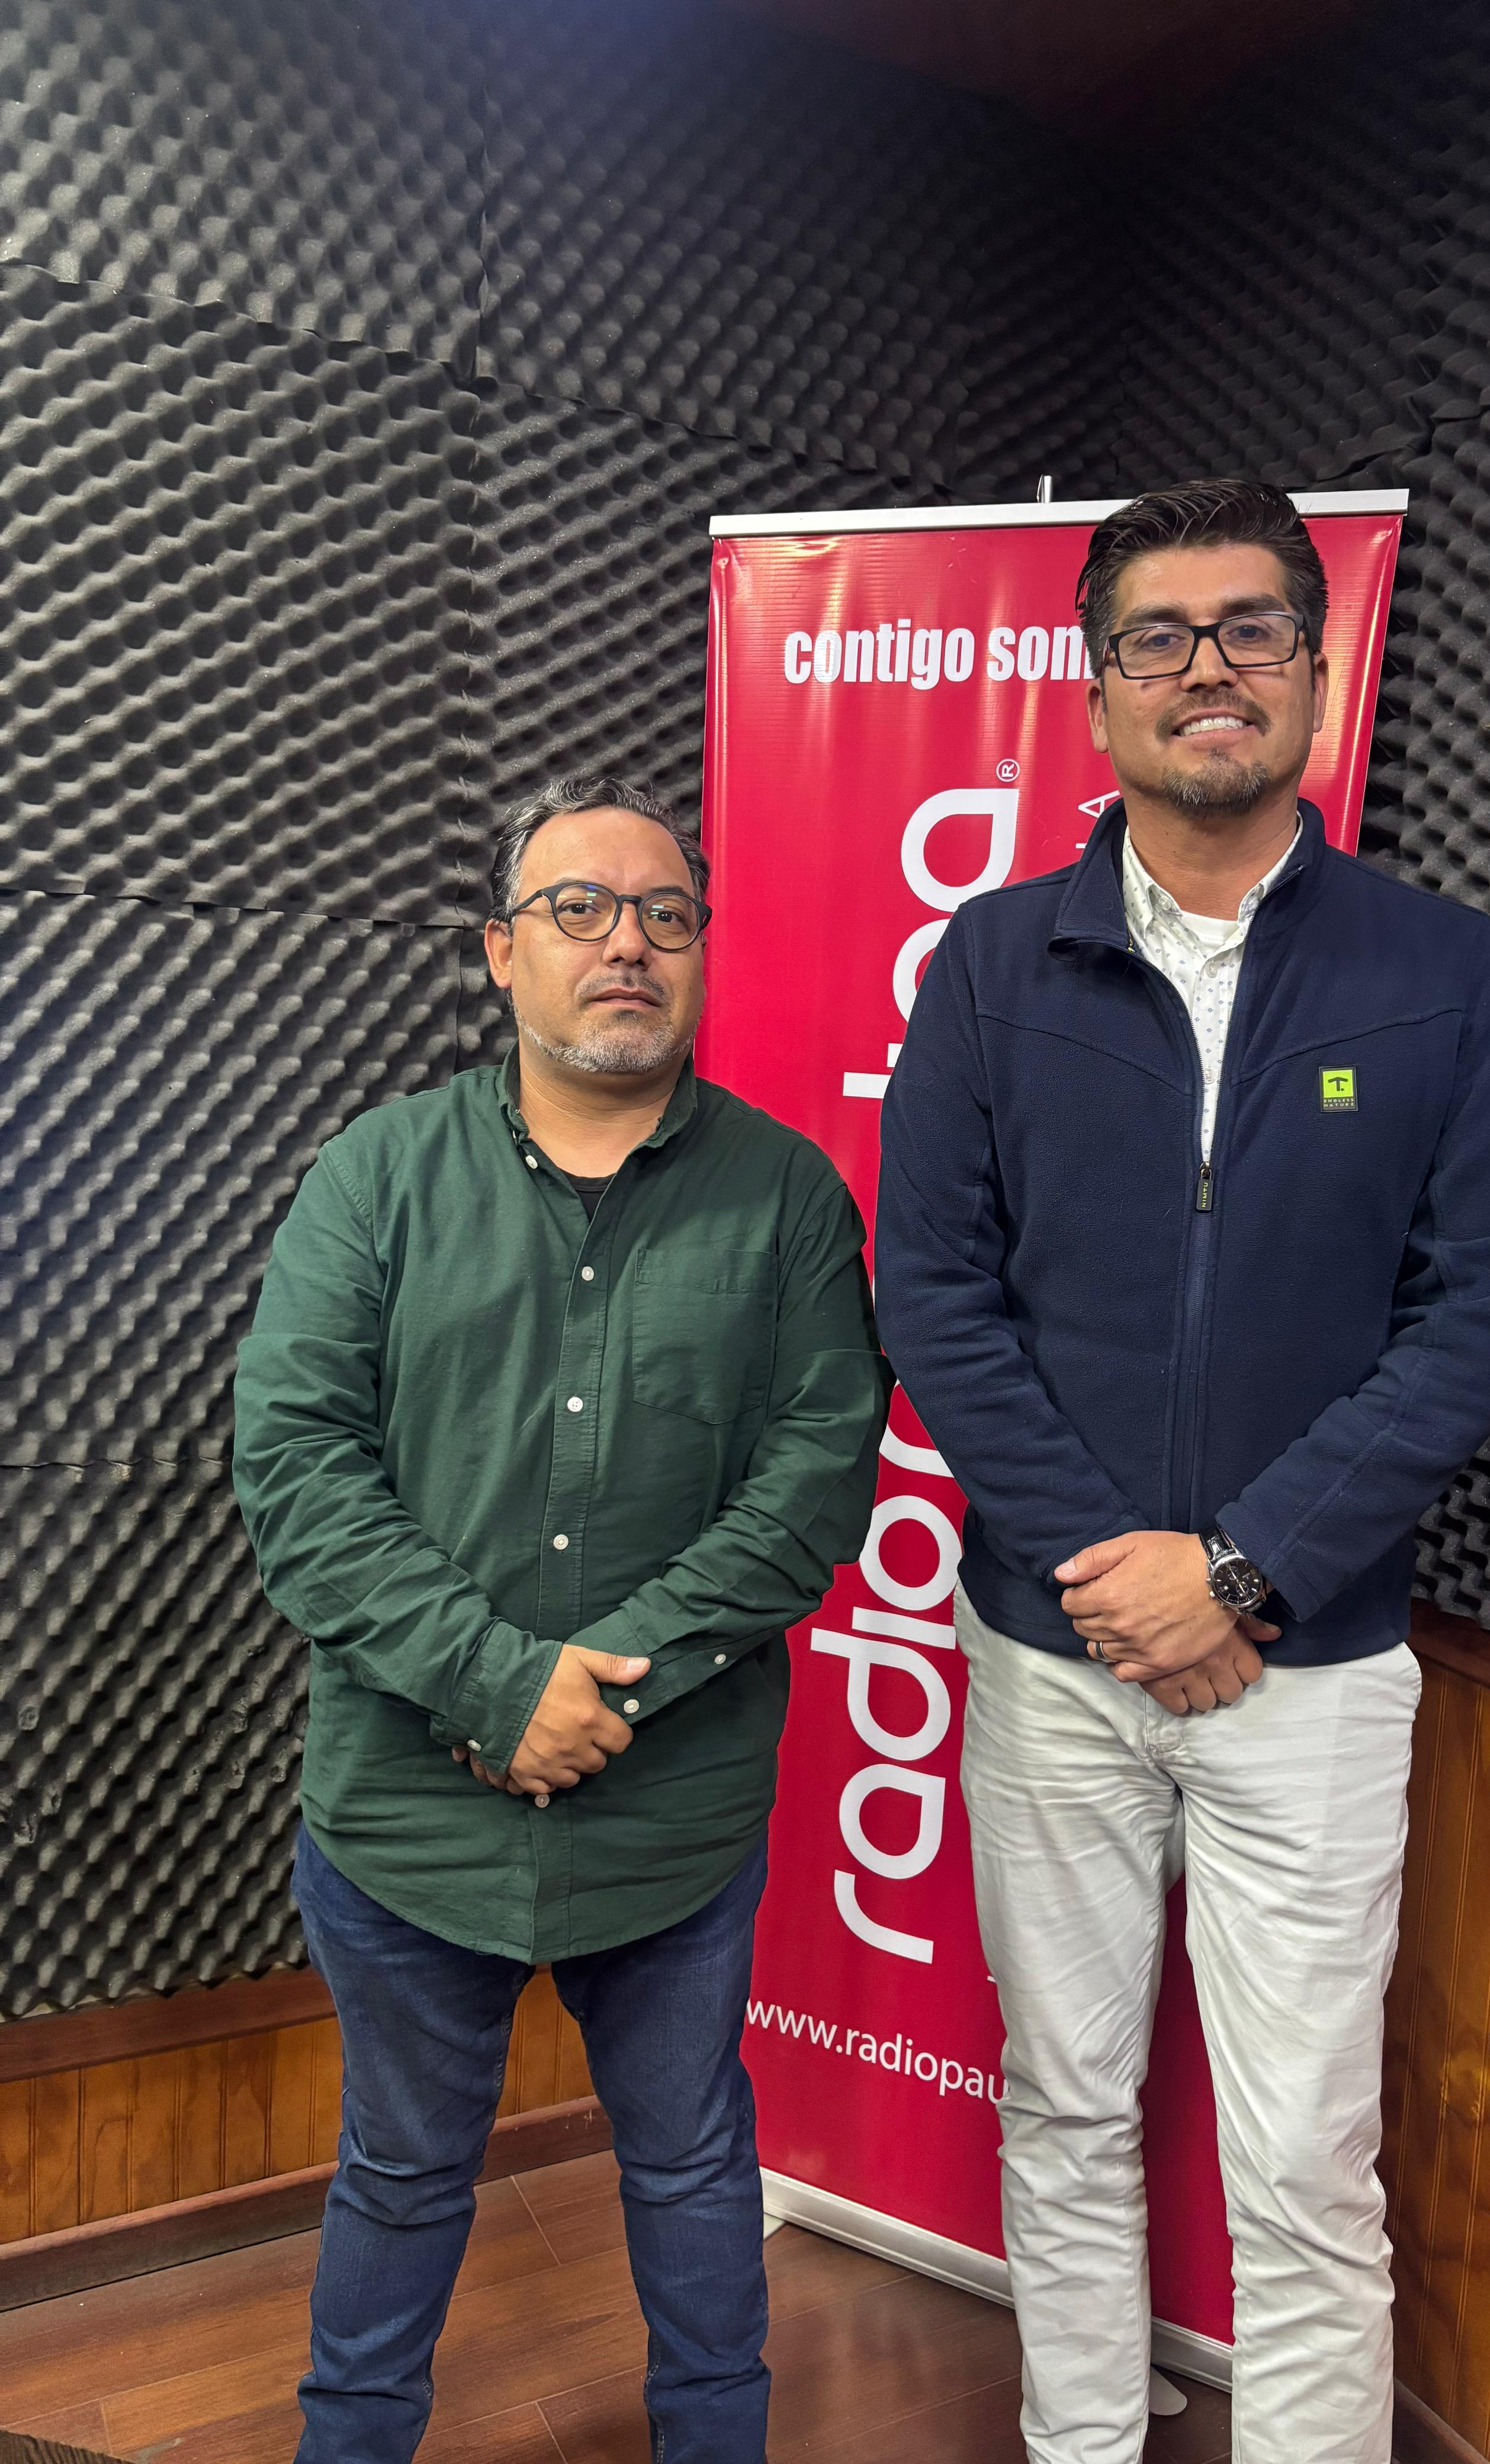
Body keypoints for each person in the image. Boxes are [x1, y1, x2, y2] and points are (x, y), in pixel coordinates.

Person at [876, 480, 1490, 2464]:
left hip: (1313, 1675)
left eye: (1251, 628)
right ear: (1097, 691)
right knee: (1064, 2112)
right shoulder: (992, 964)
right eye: (1159, 637)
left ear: (1315, 671)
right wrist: (1116, 1568)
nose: (1208, 670)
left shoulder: (1444, 971)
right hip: (1056, 1654)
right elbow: (934, 1290)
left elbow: (1476, 1319)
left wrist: (1244, 1572)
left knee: (1306, 2167)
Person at [235, 774, 889, 2464]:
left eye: (667, 915)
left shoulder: (791, 1199)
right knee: (399, 2173)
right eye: (579, 910)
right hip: (408, 1816)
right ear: (499, 950)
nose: (628, 945)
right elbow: (296, 1465)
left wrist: (608, 1692)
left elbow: (814, 1483)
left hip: (674, 1822)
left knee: (691, 2165)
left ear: (702, 951)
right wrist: (493, 1683)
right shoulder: (375, 1177)